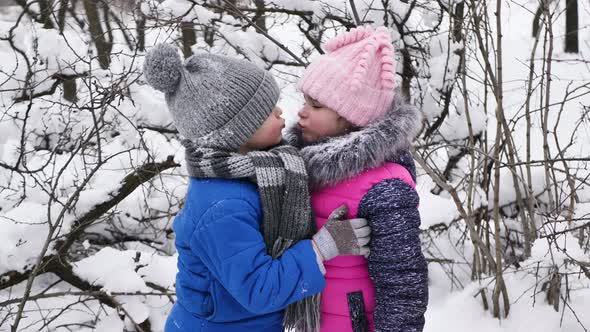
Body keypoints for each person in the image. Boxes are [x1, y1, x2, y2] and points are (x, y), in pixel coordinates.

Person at [142, 43, 371, 332]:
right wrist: (324, 246)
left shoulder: (255, 174)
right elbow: (259, 289)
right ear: (238, 132)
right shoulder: (222, 207)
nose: (279, 112)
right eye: (265, 110)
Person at [285, 26, 429, 332]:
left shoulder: (384, 187)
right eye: (306, 101)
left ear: (352, 116)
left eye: (317, 105)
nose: (302, 113)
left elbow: (402, 281)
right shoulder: (298, 167)